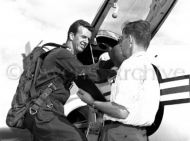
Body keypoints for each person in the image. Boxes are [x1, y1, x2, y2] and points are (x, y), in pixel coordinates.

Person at [23, 19, 116, 141]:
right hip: (44, 113)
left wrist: (101, 64)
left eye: (88, 39)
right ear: (71, 35)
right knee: (78, 138)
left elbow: (83, 70)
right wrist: (115, 72)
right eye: (83, 37)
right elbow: (86, 73)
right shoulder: (62, 54)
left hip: (46, 112)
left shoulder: (67, 58)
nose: (86, 42)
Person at [77, 20, 160, 141]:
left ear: (130, 40)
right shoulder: (149, 68)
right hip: (139, 135)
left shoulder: (130, 64)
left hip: (119, 135)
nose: (120, 44)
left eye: (122, 39)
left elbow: (121, 112)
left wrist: (92, 101)